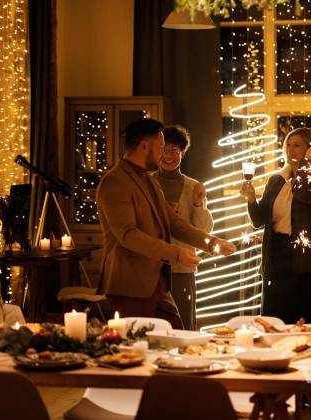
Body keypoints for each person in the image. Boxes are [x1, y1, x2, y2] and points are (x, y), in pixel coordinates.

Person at [96, 118, 235, 330]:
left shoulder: (148, 180)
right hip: (130, 285)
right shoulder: (115, 181)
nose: (163, 154)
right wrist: (176, 253)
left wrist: (212, 243)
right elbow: (128, 235)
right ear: (144, 146)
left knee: (177, 334)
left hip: (157, 283)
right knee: (138, 344)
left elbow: (173, 222)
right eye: (161, 147)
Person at [240, 128, 311, 325]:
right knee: (274, 318)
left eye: (297, 145)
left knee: (300, 319)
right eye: (288, 145)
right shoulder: (276, 180)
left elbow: (302, 192)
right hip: (275, 254)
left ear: (310, 149)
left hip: (301, 257)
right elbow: (258, 221)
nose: (290, 150)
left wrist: (309, 159)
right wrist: (251, 198)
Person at [150, 125, 213, 330]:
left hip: (182, 265)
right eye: (164, 150)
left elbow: (204, 229)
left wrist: (198, 204)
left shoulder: (194, 186)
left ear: (183, 153)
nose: (168, 156)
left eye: (174, 150)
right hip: (151, 263)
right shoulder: (147, 182)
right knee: (154, 324)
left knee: (183, 323)